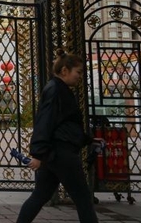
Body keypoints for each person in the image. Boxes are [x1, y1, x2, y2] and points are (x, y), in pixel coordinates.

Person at [16, 50, 102, 223]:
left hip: (54, 153)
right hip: (61, 153)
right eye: (78, 72)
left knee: (40, 196)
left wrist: (88, 139)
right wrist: (39, 153)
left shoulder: (59, 89)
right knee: (83, 198)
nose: (80, 77)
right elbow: (45, 122)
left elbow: (64, 124)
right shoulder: (56, 90)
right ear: (65, 70)